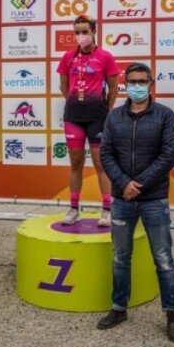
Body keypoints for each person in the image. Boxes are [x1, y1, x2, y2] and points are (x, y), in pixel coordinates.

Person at [97, 62, 174, 343]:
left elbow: (169, 155)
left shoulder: (165, 116)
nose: (136, 86)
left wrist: (139, 184)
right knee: (121, 257)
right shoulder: (114, 118)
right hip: (122, 199)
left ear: (151, 84)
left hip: (154, 199)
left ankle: (172, 314)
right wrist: (123, 184)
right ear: (124, 84)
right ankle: (118, 308)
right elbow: (106, 153)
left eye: (141, 81)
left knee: (164, 259)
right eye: (131, 81)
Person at [56, 15, 120, 226]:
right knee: (75, 164)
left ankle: (107, 210)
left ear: (94, 32)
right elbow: (64, 87)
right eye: (77, 32)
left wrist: (107, 110)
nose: (81, 35)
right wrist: (75, 103)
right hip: (73, 118)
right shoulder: (67, 57)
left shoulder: (105, 56)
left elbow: (114, 88)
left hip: (98, 119)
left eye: (85, 31)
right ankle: (74, 209)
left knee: (100, 164)